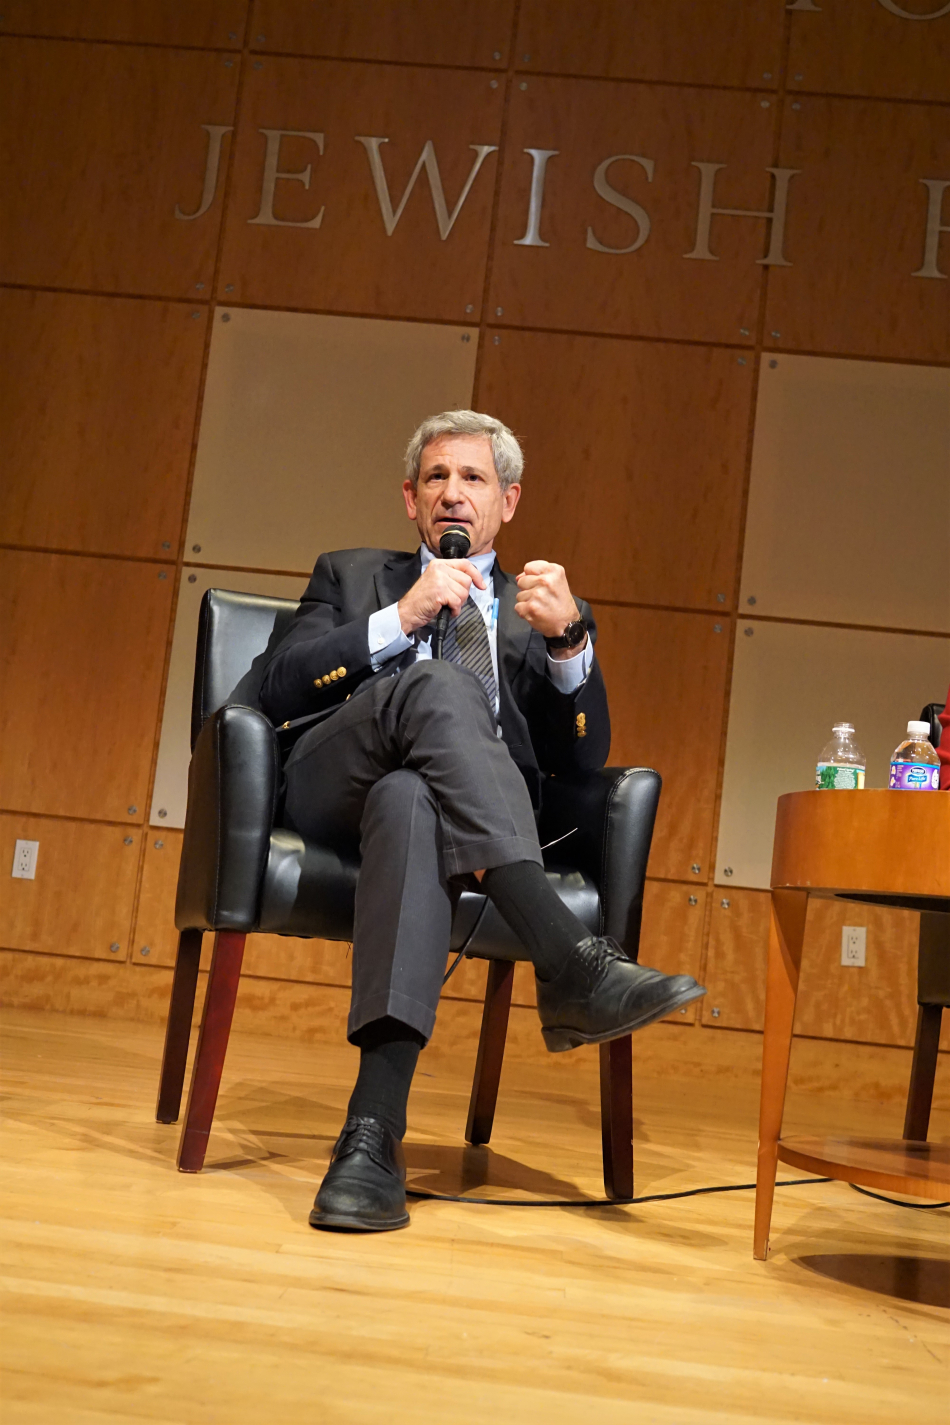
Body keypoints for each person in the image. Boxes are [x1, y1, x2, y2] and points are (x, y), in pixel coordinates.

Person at [260, 410, 704, 1232]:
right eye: (436, 477)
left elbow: (582, 762)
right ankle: (569, 960)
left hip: (451, 817)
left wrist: (569, 643)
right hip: (332, 785)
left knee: (411, 800)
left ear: (509, 500)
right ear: (410, 498)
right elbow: (275, 687)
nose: (453, 493)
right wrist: (401, 618)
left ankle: (372, 1137)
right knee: (439, 686)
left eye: (474, 478)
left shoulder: (543, 610)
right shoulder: (352, 575)